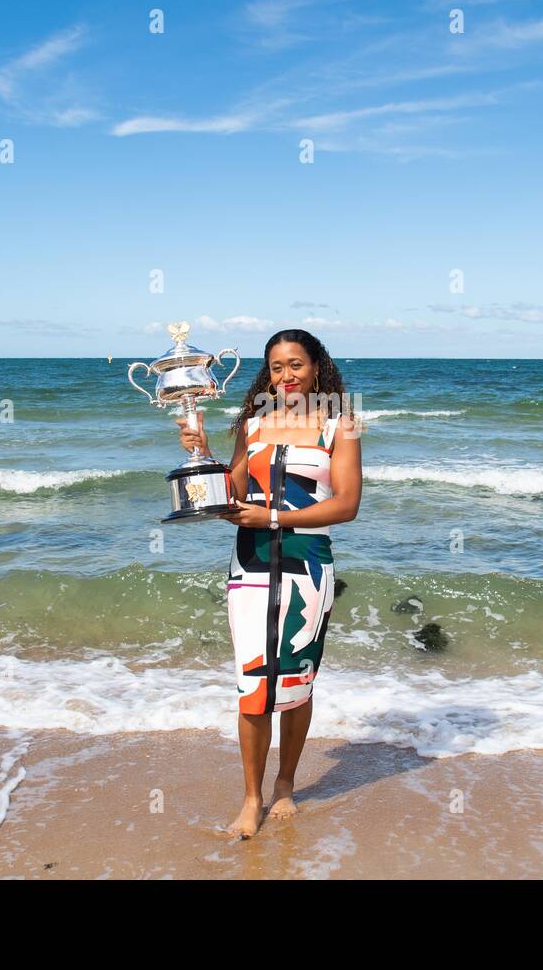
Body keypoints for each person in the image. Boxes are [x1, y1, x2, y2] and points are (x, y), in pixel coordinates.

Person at [176, 328, 362, 839]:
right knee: (253, 684)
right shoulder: (253, 425)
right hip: (250, 566)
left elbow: (346, 505)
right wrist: (204, 450)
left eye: (296, 365)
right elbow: (230, 493)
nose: (287, 376)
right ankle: (251, 797)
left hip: (308, 565)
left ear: (317, 368)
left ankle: (285, 784)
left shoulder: (339, 427)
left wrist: (274, 518)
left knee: (297, 685)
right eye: (277, 367)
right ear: (268, 373)